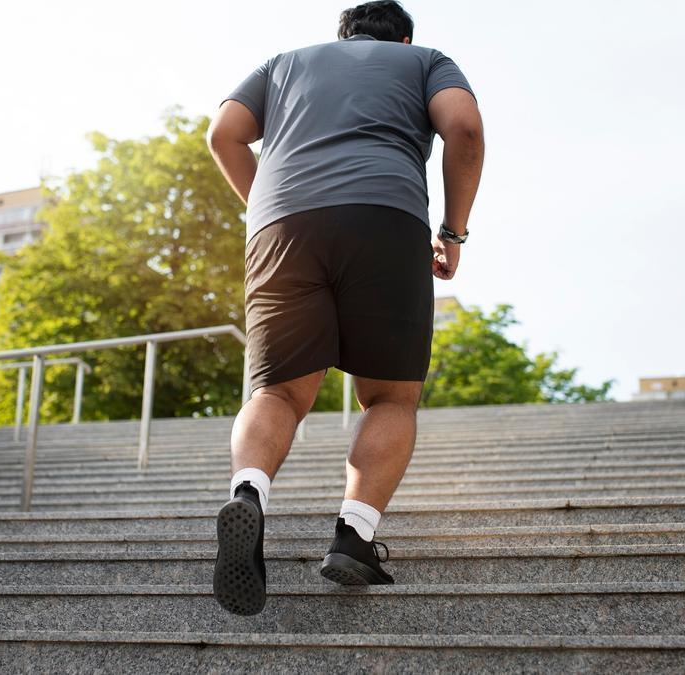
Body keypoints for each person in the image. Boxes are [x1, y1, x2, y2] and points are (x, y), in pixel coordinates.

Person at [206, 0, 484, 616]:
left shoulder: (283, 64)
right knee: (389, 396)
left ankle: (248, 496)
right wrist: (453, 233)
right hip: (385, 221)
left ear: (342, 35)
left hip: (282, 228)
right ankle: (353, 537)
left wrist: (268, 205)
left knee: (276, 393)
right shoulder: (424, 61)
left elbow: (223, 134)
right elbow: (463, 128)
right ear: (404, 37)